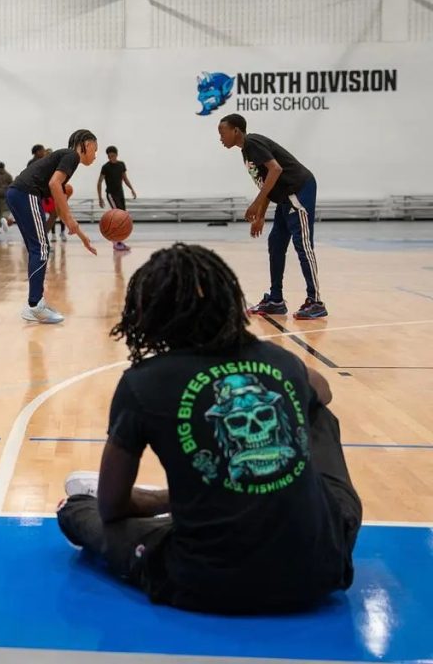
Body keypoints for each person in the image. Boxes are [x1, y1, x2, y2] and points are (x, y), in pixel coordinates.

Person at [57, 243, 361, 615]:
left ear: (147, 314)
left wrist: (168, 499)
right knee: (317, 412)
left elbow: (111, 507)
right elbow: (323, 392)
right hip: (323, 568)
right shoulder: (281, 362)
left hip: (204, 581)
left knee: (78, 512)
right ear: (231, 301)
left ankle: (192, 499)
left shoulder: (142, 383)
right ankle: (252, 501)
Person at [218, 113, 327, 319]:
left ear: (236, 131)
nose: (220, 138)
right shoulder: (246, 152)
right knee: (275, 243)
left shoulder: (252, 143)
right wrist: (260, 216)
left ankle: (316, 301)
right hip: (283, 196)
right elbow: (266, 183)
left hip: (298, 189)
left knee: (302, 244)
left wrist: (256, 204)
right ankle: (276, 299)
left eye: (222, 132)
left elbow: (275, 170)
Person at [5, 130, 98, 324]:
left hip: (18, 193)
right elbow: (55, 184)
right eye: (95, 150)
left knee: (37, 248)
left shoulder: (64, 159)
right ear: (87, 145)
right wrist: (70, 219)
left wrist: (81, 235)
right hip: (26, 193)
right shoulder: (72, 156)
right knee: (41, 248)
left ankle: (34, 304)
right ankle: (34, 306)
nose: (95, 156)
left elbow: (58, 201)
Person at [96, 145, 137, 252]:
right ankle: (116, 243)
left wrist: (132, 189)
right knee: (116, 218)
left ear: (116, 155)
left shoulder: (121, 165)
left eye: (112, 156)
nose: (111, 158)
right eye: (109, 156)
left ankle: (119, 241)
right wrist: (100, 198)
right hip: (111, 194)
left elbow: (125, 178)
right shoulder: (105, 167)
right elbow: (99, 182)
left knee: (123, 217)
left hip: (120, 194)